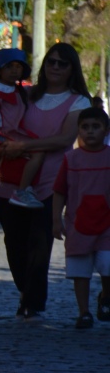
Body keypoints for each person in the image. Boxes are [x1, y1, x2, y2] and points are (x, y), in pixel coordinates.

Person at [0, 43, 92, 319]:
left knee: (39, 243)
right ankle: (26, 290)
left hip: (50, 179)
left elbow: (64, 139)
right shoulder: (26, 95)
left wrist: (25, 146)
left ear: (73, 68)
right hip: (12, 178)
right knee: (13, 242)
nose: (56, 68)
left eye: (63, 63)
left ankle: (32, 301)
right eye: (52, 62)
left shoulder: (78, 102)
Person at [53, 107, 110, 328]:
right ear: (78, 131)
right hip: (78, 223)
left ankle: (106, 296)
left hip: (107, 223)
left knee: (107, 265)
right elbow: (59, 191)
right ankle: (84, 311)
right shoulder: (71, 159)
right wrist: (56, 219)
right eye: (85, 127)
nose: (90, 132)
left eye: (95, 127)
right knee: (80, 270)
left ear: (106, 130)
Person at [0, 48, 45, 209]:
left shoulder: (18, 90)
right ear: (0, 70)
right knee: (38, 151)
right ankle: (22, 191)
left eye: (18, 66)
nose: (15, 70)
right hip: (2, 135)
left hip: (11, 133)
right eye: (10, 66)